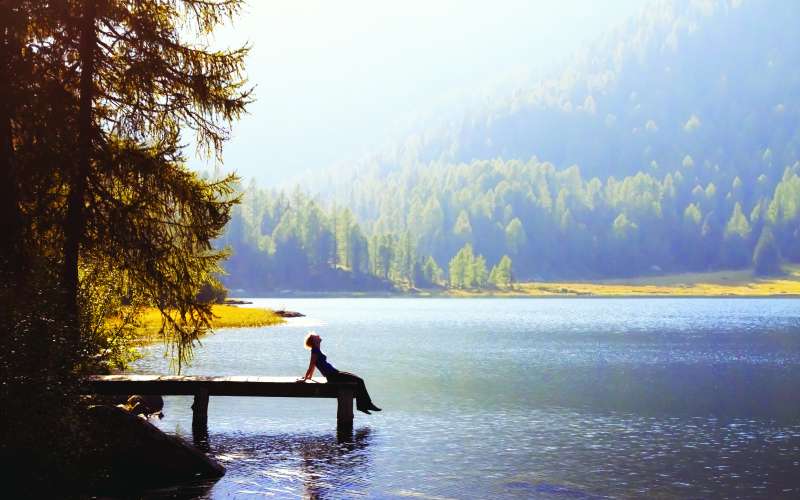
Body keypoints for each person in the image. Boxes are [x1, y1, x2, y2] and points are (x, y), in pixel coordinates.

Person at [298, 331, 381, 414]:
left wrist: (309, 377)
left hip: (335, 373)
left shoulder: (317, 350)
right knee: (359, 381)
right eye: (315, 336)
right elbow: (311, 365)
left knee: (358, 380)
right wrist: (305, 378)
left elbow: (313, 366)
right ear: (313, 340)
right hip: (333, 376)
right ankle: (366, 405)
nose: (318, 335)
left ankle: (363, 406)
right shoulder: (315, 351)